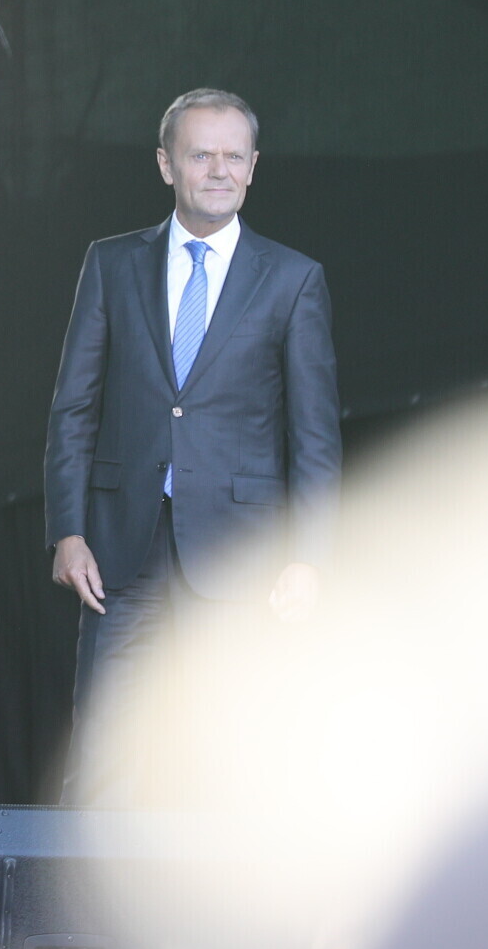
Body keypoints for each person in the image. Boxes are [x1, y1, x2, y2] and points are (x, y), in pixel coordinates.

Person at [44, 88, 339, 805]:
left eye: (233, 156)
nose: (218, 170)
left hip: (242, 558)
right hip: (121, 552)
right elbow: (73, 409)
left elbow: (314, 434)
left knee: (230, 762)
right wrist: (67, 531)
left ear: (253, 166)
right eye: (201, 154)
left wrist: (309, 557)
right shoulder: (113, 263)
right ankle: (95, 886)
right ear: (165, 164)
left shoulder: (293, 278)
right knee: (107, 758)